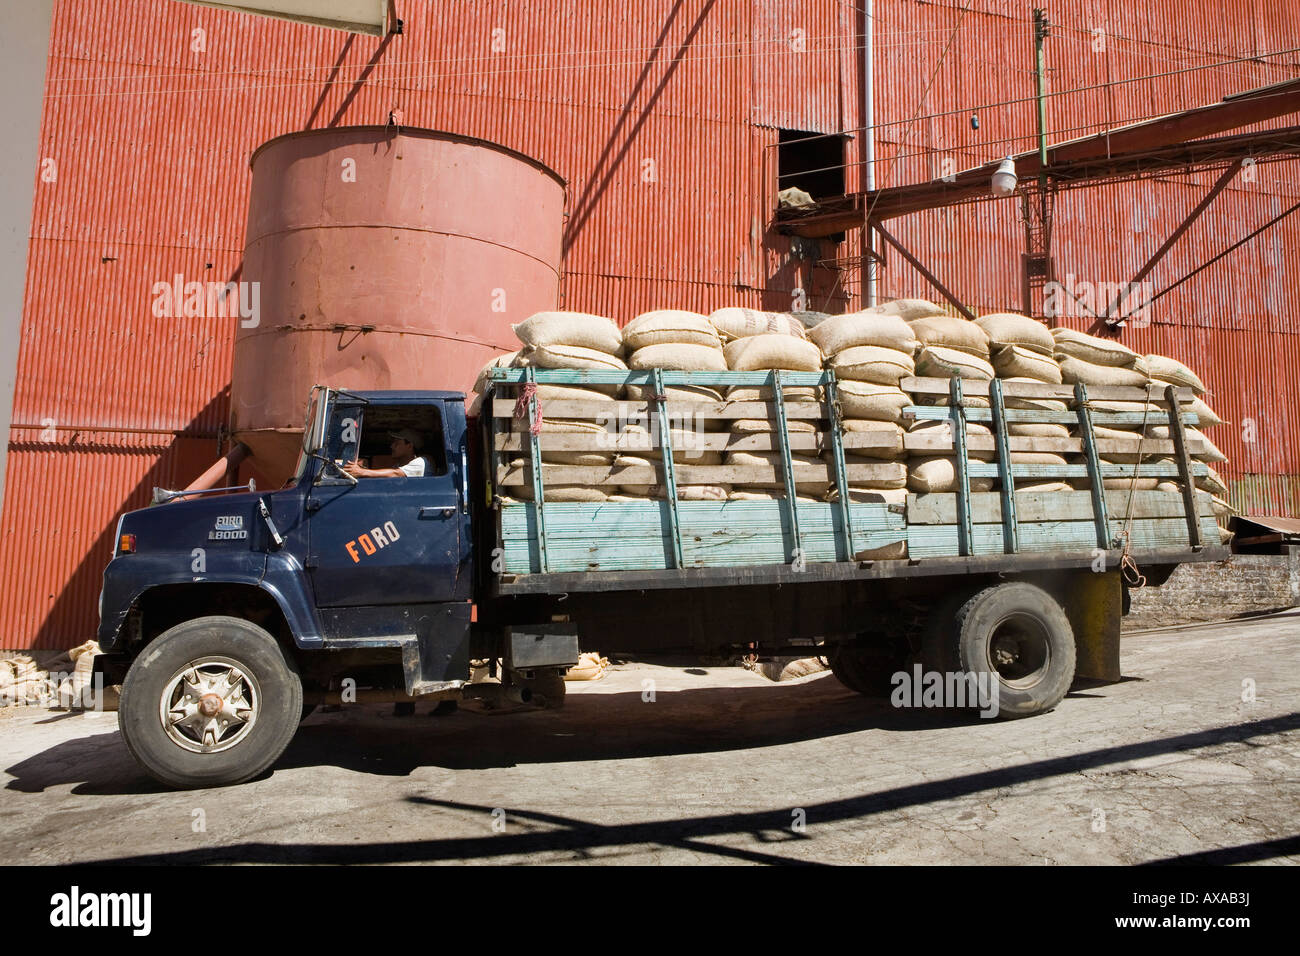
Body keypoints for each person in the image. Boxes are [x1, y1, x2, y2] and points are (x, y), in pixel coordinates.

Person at [343, 429, 427, 479]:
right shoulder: (398, 466)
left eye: (396, 443)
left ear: (409, 446)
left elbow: (395, 473)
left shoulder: (420, 462)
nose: (391, 446)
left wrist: (361, 472)